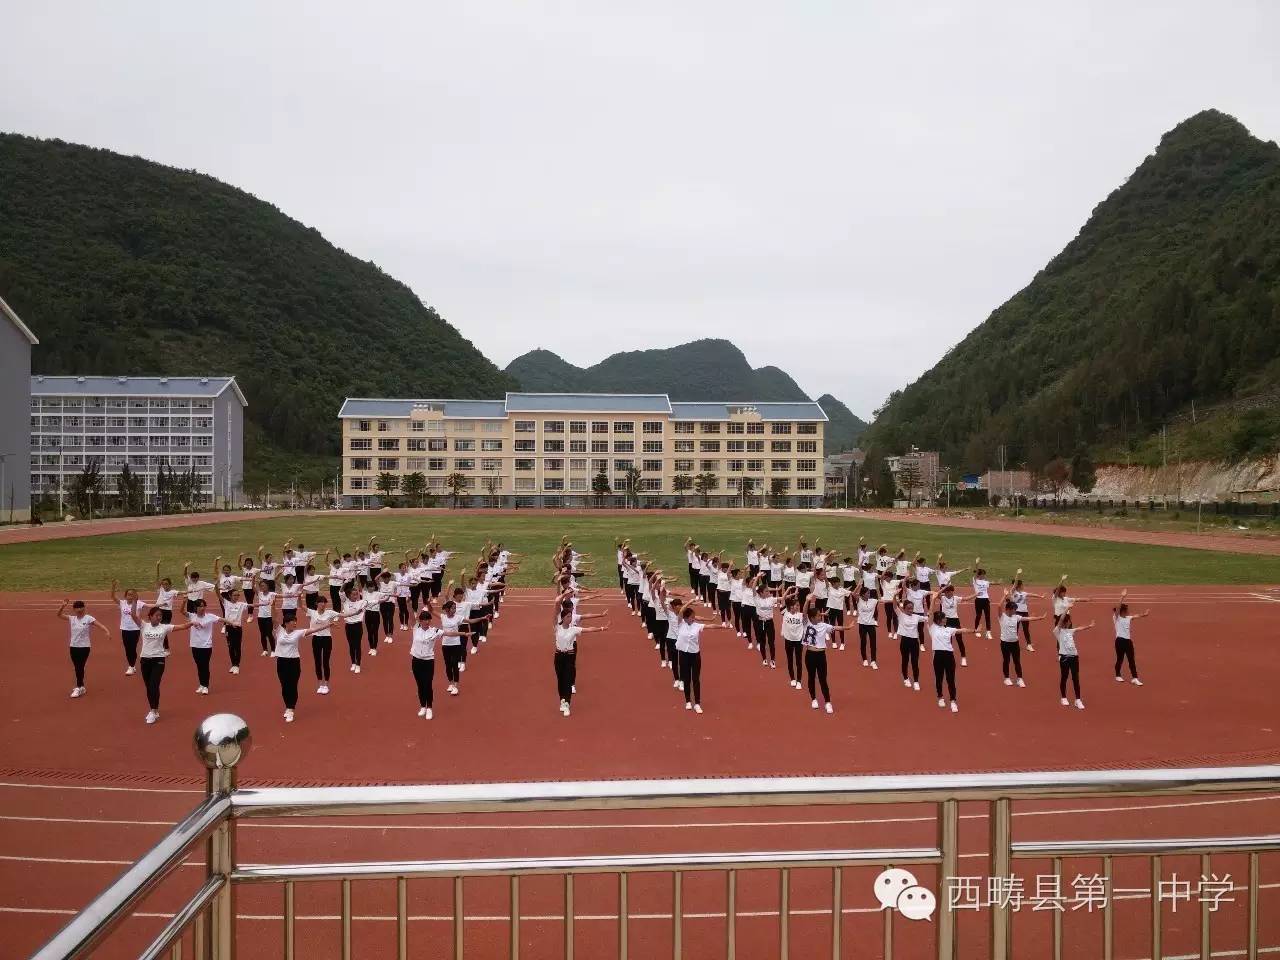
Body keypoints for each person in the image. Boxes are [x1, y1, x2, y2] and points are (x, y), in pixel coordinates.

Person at [137, 606, 195, 724]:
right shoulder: (144, 625)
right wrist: (134, 603)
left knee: (154, 684)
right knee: (149, 687)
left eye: (160, 616)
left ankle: (153, 711)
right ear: (150, 616)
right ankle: (155, 709)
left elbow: (183, 626)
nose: (159, 618)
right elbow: (133, 615)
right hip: (145, 659)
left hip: (158, 659)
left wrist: (192, 622)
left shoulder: (164, 627)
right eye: (157, 615)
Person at [272, 617, 333, 722]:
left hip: (293, 662)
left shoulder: (298, 633)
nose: (295, 624)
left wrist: (328, 625)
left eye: (296, 622)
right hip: (281, 662)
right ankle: (287, 706)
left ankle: (291, 709)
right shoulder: (279, 630)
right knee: (284, 685)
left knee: (292, 685)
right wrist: (272, 606)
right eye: (293, 622)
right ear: (286, 623)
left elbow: (314, 630)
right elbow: (274, 619)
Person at [553, 607, 609, 717]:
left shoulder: (573, 629)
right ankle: (562, 700)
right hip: (558, 656)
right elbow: (555, 608)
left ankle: (567, 703)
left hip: (569, 656)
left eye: (570, 616)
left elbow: (589, 629)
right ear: (563, 618)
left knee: (568, 680)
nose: (570, 619)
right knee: (560, 679)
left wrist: (602, 628)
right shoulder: (557, 627)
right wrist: (561, 597)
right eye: (568, 616)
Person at [674, 603, 728, 714]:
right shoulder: (680, 623)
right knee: (686, 678)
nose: (694, 619)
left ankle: (697, 703)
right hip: (683, 654)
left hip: (695, 655)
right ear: (685, 618)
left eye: (694, 617)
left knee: (695, 679)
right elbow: (681, 612)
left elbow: (710, 626)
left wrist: (721, 626)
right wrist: (690, 602)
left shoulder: (697, 626)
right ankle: (688, 701)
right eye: (691, 617)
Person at [801, 598, 849, 713]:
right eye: (818, 615)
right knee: (811, 677)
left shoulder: (823, 625)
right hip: (810, 655)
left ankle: (828, 702)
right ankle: (813, 699)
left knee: (823, 679)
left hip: (821, 655)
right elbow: (804, 613)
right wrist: (807, 601)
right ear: (812, 618)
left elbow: (835, 628)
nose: (820, 616)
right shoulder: (806, 623)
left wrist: (847, 628)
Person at [57, 599, 110, 697]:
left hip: (84, 646)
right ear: (74, 609)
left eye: (81, 607)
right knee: (77, 666)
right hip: (73, 646)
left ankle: (78, 687)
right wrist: (62, 606)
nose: (79, 609)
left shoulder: (88, 618)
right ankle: (81, 687)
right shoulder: (72, 619)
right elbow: (59, 615)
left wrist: (106, 631)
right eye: (77, 608)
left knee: (79, 666)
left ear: (84, 608)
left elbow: (100, 625)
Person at [927, 610, 977, 713]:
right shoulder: (932, 628)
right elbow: (931, 613)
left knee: (950, 679)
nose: (946, 619)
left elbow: (962, 630)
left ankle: (953, 701)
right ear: (938, 620)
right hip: (938, 655)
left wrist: (974, 631)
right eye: (944, 618)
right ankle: (940, 697)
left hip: (949, 656)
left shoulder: (949, 629)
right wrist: (933, 599)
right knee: (939, 678)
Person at [186, 599, 229, 695]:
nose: (202, 608)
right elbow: (181, 611)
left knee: (204, 665)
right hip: (195, 645)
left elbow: (222, 619)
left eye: (203, 606)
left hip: (206, 646)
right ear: (195, 608)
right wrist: (184, 601)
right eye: (200, 606)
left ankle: (205, 686)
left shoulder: (210, 617)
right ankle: (201, 684)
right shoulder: (192, 616)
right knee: (199, 666)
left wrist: (233, 623)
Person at [997, 599, 1044, 687]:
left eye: (1015, 609)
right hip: (1005, 643)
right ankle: (1007, 678)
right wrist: (1004, 595)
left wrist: (1040, 618)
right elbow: (999, 606)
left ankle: (1020, 679)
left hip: (1015, 643)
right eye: (1013, 609)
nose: (1015, 611)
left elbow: (1028, 618)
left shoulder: (1016, 617)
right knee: (1006, 660)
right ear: (1008, 609)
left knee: (1017, 661)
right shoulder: (1002, 617)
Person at [1054, 614, 1095, 709]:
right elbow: (1060, 621)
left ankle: (1078, 700)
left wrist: (1089, 626)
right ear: (1065, 622)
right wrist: (1066, 609)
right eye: (1068, 621)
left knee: (1075, 678)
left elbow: (1080, 628)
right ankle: (1063, 697)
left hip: (1074, 657)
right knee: (1064, 677)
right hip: (1064, 657)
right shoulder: (1058, 631)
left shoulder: (1070, 631)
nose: (1070, 622)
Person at [1112, 592, 1150, 686]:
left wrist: (1144, 614)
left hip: (1128, 641)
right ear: (1122, 611)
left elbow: (1137, 616)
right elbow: (1118, 608)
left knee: (1131, 659)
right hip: (1119, 641)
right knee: (1120, 659)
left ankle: (1135, 678)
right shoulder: (1116, 618)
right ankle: (1117, 675)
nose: (1128, 611)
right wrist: (1122, 596)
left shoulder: (1128, 617)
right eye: (1127, 610)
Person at [109, 579, 145, 675]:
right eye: (129, 594)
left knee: (132, 648)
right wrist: (113, 586)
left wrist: (160, 605)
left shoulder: (139, 603)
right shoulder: (122, 603)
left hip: (135, 629)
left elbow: (150, 605)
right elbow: (112, 596)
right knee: (127, 648)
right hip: (125, 629)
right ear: (126, 596)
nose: (130, 596)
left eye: (132, 594)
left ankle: (131, 666)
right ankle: (132, 666)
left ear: (135, 596)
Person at [308, 594, 341, 694]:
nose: (322, 604)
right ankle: (320, 684)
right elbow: (301, 606)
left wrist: (355, 612)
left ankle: (326, 684)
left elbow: (342, 615)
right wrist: (299, 593)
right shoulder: (312, 612)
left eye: (324, 602)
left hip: (327, 639)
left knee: (325, 662)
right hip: (316, 639)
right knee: (317, 661)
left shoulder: (329, 612)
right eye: (320, 602)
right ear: (316, 603)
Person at [893, 594, 924, 691]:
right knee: (905, 660)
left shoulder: (916, 617)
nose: (911, 610)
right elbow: (894, 606)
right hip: (905, 641)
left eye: (912, 608)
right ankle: (906, 678)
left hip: (914, 642)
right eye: (909, 608)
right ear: (904, 608)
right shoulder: (901, 615)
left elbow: (929, 618)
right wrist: (894, 596)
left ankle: (916, 681)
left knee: (915, 662)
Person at [779, 591, 806, 688]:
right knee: (790, 660)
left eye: (798, 605)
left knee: (798, 661)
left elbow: (807, 612)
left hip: (798, 641)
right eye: (796, 605)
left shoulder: (801, 615)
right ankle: (792, 679)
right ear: (790, 607)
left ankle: (799, 681)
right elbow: (782, 599)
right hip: (788, 640)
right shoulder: (785, 613)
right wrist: (788, 589)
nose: (798, 607)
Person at [340, 583, 368, 673]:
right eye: (353, 594)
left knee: (357, 645)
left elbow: (368, 599)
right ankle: (353, 663)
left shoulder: (361, 602)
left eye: (356, 594)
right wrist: (345, 583)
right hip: (348, 626)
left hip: (358, 626)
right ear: (348, 595)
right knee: (351, 645)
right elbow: (341, 591)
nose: (356, 596)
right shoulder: (345, 602)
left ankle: (358, 664)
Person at [222, 587, 248, 674]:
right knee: (230, 646)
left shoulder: (241, 604)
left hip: (237, 628)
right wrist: (217, 584)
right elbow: (218, 595)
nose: (237, 597)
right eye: (235, 595)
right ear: (230, 596)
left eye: (238, 595)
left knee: (237, 646)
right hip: (228, 628)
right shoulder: (226, 603)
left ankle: (237, 665)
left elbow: (252, 605)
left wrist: (265, 604)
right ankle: (233, 664)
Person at [854, 586, 879, 669]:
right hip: (862, 624)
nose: (869, 594)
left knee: (873, 643)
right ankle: (864, 659)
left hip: (871, 625)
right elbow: (854, 594)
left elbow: (884, 601)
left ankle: (873, 661)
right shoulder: (859, 600)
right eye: (867, 593)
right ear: (863, 594)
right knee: (863, 642)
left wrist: (894, 598)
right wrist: (859, 585)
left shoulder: (873, 601)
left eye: (869, 593)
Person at [253, 579, 277, 655]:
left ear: (268, 586)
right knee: (262, 634)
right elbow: (253, 587)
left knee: (269, 634)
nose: (262, 587)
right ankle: (265, 650)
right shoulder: (259, 594)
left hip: (269, 617)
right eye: (261, 586)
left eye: (264, 585)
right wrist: (253, 578)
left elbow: (282, 596)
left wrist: (294, 595)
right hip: (260, 617)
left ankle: (273, 650)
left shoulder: (272, 594)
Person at [971, 565, 993, 639]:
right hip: (978, 600)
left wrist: (997, 582)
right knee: (978, 615)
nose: (984, 575)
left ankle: (988, 632)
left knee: (987, 616)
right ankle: (977, 630)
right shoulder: (975, 580)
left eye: (984, 574)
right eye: (983, 574)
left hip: (986, 600)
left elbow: (990, 583)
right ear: (979, 574)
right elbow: (976, 574)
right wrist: (976, 565)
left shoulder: (986, 582)